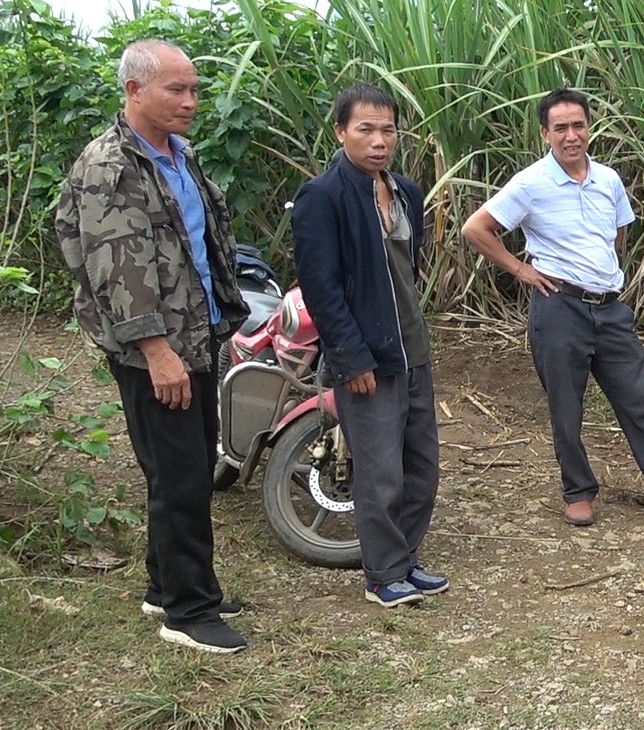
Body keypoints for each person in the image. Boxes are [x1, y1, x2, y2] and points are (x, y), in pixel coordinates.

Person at [55, 39, 251, 654]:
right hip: (157, 349)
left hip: (196, 334)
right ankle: (190, 612)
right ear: (135, 90)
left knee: (182, 467)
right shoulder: (110, 167)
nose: (191, 101)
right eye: (177, 90)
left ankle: (167, 586)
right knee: (181, 475)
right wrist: (155, 351)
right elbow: (116, 268)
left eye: (194, 89)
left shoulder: (175, 154)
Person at [461, 88, 644, 528]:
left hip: (609, 309)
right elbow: (476, 229)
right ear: (545, 134)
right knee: (566, 405)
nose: (571, 136)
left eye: (579, 125)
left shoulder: (608, 179)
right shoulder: (531, 183)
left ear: (588, 128)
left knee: (638, 400)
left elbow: (619, 234)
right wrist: (521, 269)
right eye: (561, 128)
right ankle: (577, 490)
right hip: (559, 308)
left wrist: (604, 275)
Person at [291, 84, 447, 608]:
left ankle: (406, 559)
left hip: (410, 348)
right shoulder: (324, 196)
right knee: (380, 471)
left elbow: (407, 270)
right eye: (366, 129)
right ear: (341, 132)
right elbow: (322, 289)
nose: (379, 140)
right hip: (366, 358)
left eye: (388, 130)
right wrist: (350, 356)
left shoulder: (405, 191)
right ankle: (382, 575)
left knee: (421, 467)